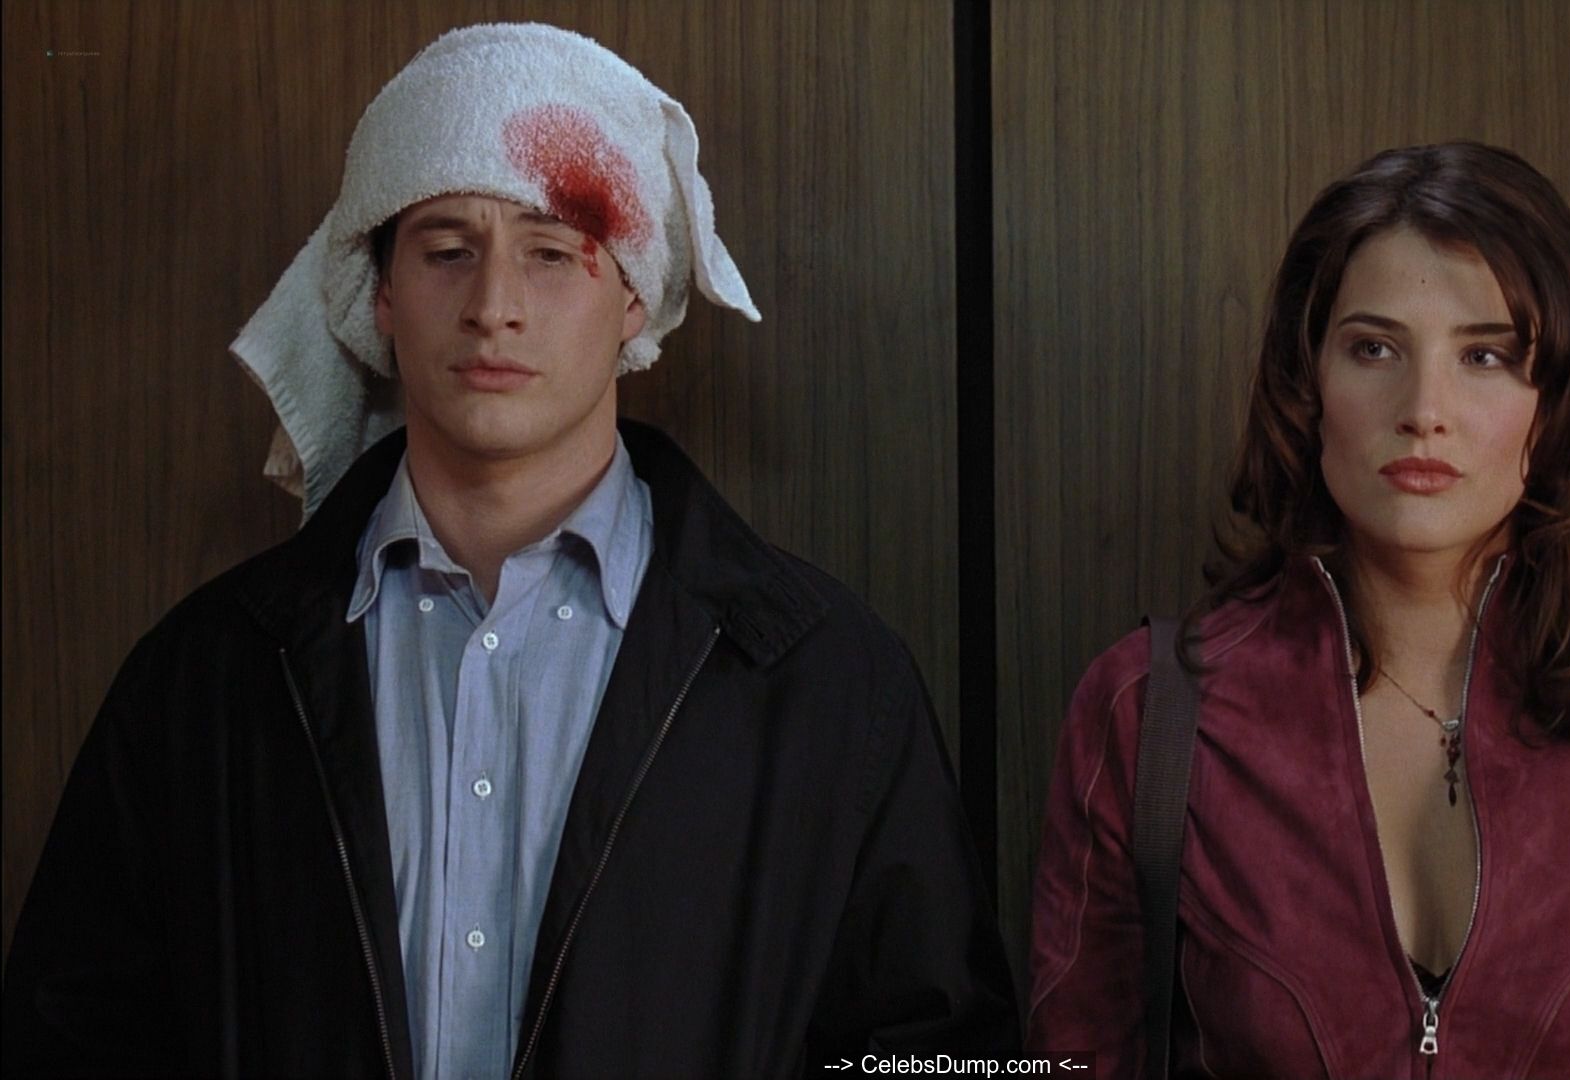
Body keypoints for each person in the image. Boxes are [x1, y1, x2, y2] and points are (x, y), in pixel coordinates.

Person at [3, 23, 1015, 1077]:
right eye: (447, 251)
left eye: (552, 253)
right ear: (381, 294)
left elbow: (939, 1049)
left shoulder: (823, 682)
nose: (494, 309)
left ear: (633, 294)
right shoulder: (205, 681)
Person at [1026, 142, 1570, 1078]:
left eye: (1485, 355)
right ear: (1308, 383)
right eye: (1374, 348)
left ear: (1558, 401)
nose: (1423, 409)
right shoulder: (1146, 711)